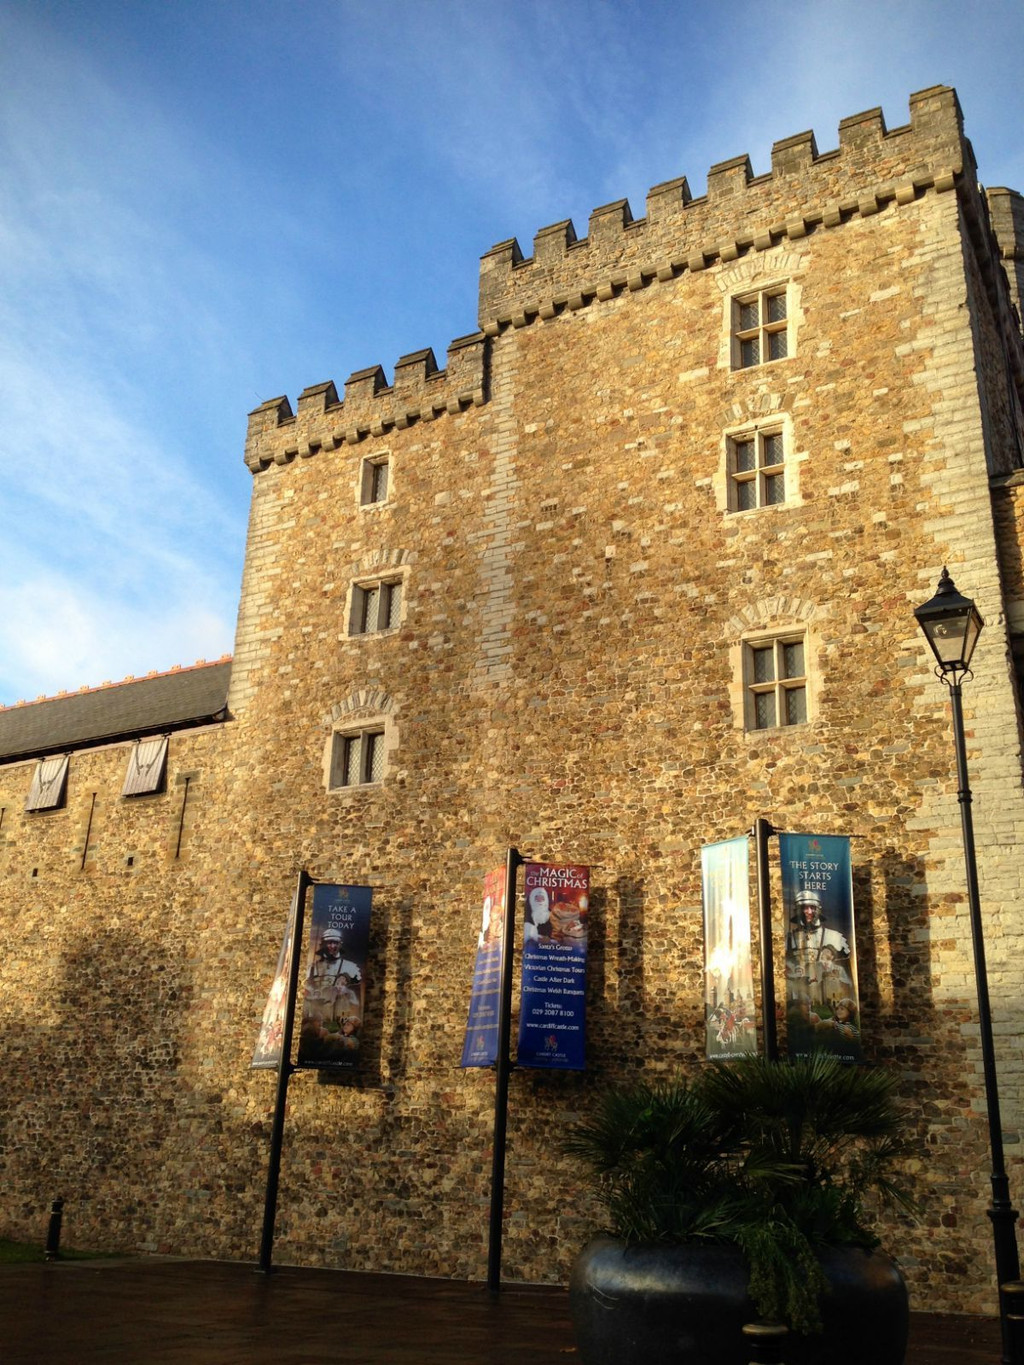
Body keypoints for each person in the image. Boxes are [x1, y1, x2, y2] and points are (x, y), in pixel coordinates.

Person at [785, 890, 851, 1007]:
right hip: (799, 989)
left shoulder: (834, 937)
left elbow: (845, 968)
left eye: (812, 907)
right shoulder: (789, 939)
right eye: (805, 908)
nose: (809, 912)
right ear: (798, 911)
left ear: (818, 909)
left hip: (827, 987)